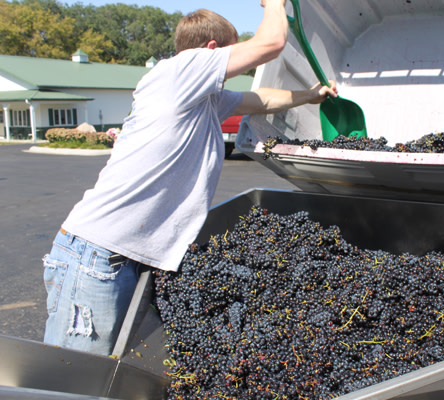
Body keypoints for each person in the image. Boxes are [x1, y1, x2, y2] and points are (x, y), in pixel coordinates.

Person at [42, 0, 337, 356]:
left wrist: (309, 96)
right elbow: (271, 43)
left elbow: (259, 99)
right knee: (72, 374)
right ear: (210, 50)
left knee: (108, 370)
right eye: (230, 52)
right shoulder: (180, 71)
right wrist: (274, 3)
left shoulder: (202, 97)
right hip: (97, 254)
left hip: (122, 257)